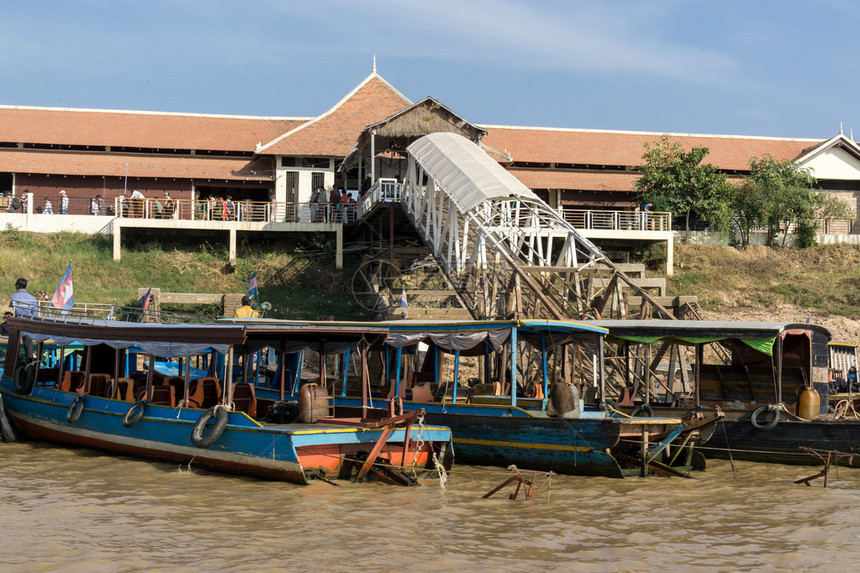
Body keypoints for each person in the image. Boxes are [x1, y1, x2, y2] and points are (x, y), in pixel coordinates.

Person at [10, 278, 37, 360]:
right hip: (28, 322)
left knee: (14, 342)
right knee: (28, 344)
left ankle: (14, 361)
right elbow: (35, 310)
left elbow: (14, 308)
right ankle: (30, 363)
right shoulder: (31, 297)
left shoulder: (14, 296)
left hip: (18, 322)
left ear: (17, 286)